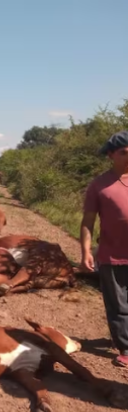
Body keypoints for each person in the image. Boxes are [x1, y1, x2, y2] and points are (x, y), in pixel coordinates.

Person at [80, 130, 128, 368]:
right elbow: (88, 223)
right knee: (118, 305)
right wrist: (86, 251)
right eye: (124, 153)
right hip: (112, 255)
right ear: (111, 155)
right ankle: (125, 348)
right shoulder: (98, 186)